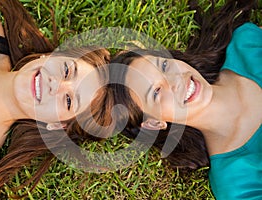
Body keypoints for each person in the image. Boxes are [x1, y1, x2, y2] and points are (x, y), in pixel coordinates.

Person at [109, 0, 261, 199]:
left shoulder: (246, 45)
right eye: (156, 92)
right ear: (154, 122)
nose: (175, 80)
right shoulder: (237, 181)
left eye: (163, 66)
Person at [0, 0, 112, 199]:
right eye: (67, 70)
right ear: (48, 56)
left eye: (68, 101)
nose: (56, 85)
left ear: (56, 125)